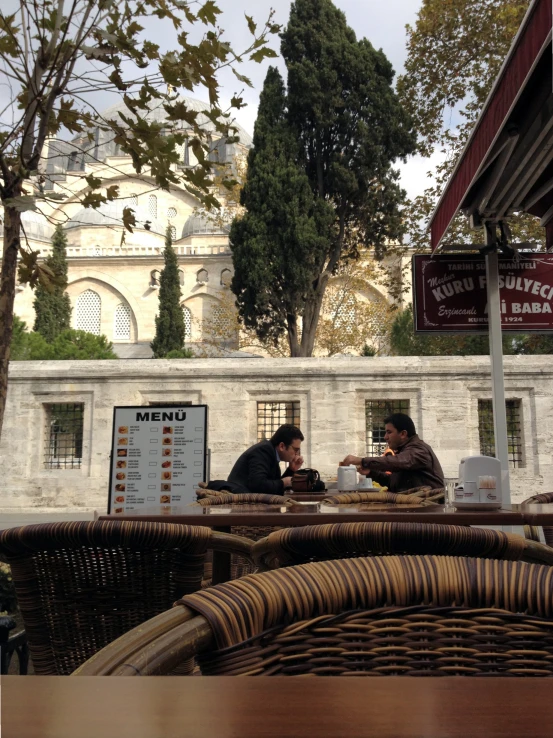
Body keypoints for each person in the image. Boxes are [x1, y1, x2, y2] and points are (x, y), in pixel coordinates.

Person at [341, 413, 444, 493]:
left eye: (389, 432)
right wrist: (371, 473)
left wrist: (362, 461)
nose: (385, 437)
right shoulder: (406, 451)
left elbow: (396, 462)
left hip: (428, 510)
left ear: (403, 434)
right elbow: (394, 482)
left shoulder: (419, 450)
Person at [224, 424, 305, 495]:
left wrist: (291, 470)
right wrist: (284, 483)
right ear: (282, 446)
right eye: (295, 449)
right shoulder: (263, 451)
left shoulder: (271, 453)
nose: (297, 454)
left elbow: (272, 486)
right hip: (241, 506)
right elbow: (258, 485)